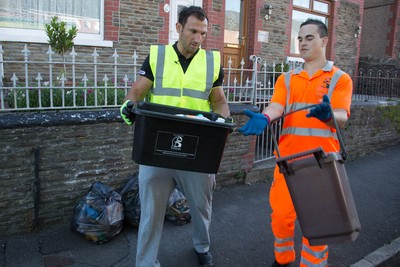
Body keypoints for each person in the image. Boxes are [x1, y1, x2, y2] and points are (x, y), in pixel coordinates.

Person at [120, 5, 230, 267]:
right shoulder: (157, 56)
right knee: (151, 212)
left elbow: (219, 100)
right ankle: (146, 262)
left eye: (203, 33)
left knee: (202, 206)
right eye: (193, 31)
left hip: (198, 149)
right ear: (179, 28)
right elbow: (136, 91)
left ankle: (202, 247)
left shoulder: (212, 61)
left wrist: (224, 121)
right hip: (157, 148)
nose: (198, 39)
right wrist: (127, 105)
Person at [239, 19, 353, 267]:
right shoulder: (287, 79)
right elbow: (277, 105)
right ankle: (283, 260)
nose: (302, 43)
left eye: (309, 38)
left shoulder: (340, 79)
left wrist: (331, 115)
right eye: (299, 38)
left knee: (319, 222)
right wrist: (266, 116)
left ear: (323, 41)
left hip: (322, 164)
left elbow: (343, 115)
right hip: (288, 163)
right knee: (280, 217)